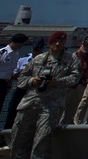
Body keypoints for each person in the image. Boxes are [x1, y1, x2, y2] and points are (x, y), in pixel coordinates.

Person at [9, 31, 81, 159]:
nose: (57, 44)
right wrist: (33, 80)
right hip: (29, 103)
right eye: (55, 41)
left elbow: (75, 78)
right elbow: (22, 79)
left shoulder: (71, 60)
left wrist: (56, 82)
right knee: (19, 137)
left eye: (61, 42)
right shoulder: (38, 59)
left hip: (51, 105)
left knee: (42, 140)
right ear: (50, 43)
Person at [61, 37, 88, 124]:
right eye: (84, 45)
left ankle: (67, 123)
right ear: (81, 45)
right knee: (64, 105)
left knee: (74, 106)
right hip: (70, 84)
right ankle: (60, 122)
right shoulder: (73, 56)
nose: (85, 48)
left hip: (81, 84)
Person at [0, 34, 28, 120]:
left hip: (5, 83)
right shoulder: (3, 52)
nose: (22, 46)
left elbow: (11, 70)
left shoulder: (15, 54)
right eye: (22, 43)